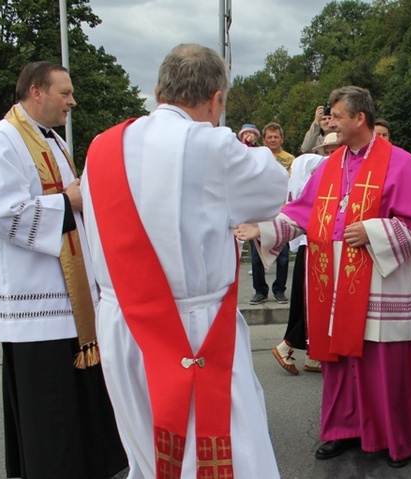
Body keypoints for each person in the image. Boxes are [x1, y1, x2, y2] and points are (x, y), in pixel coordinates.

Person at [81, 43, 286, 479]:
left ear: (158, 91)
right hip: (194, 329)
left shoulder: (101, 146)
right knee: (226, 449)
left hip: (124, 325)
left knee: (148, 452)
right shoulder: (211, 145)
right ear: (217, 100)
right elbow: (273, 189)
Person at [236, 85, 411, 468]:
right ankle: (344, 430)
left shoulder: (401, 162)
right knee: (339, 361)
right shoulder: (330, 164)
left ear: (360, 118)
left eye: (337, 116)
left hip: (378, 278)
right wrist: (264, 229)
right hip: (334, 280)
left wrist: (373, 232)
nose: (331, 123)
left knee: (382, 361)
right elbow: (302, 211)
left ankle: (395, 439)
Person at [0, 61, 127, 478]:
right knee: (48, 411)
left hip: (70, 301)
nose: (72, 101)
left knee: (75, 407)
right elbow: (2, 215)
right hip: (36, 304)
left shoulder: (52, 142)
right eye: (64, 93)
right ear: (36, 91)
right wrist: (69, 202)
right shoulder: (1, 141)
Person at [272, 132, 340, 374]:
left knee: (314, 302)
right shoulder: (317, 171)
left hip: (318, 244)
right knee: (310, 304)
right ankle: (286, 345)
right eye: (328, 150)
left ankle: (313, 355)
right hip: (310, 245)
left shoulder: (328, 171)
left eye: (336, 149)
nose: (332, 154)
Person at [250, 121, 293, 304]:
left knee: (283, 257)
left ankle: (279, 290)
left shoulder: (291, 159)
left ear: (281, 139)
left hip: (281, 213)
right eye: (270, 137)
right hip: (259, 213)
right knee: (257, 256)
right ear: (265, 139)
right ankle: (260, 290)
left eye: (276, 137)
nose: (273, 140)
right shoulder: (256, 157)